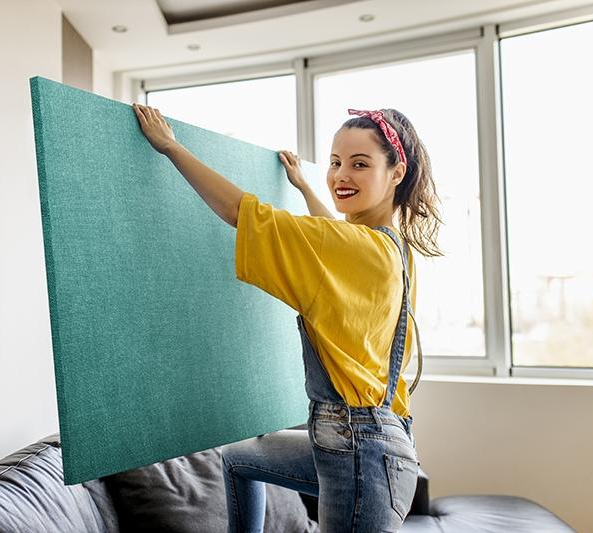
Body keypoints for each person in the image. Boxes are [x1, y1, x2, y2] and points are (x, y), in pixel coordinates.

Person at [132, 103, 443, 532]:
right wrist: (303, 187)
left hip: (363, 456)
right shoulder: (392, 249)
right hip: (365, 442)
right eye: (335, 163)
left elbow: (243, 213)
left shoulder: (353, 247)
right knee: (239, 459)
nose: (340, 175)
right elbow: (333, 237)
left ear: (396, 172)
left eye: (359, 164)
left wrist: (171, 147)